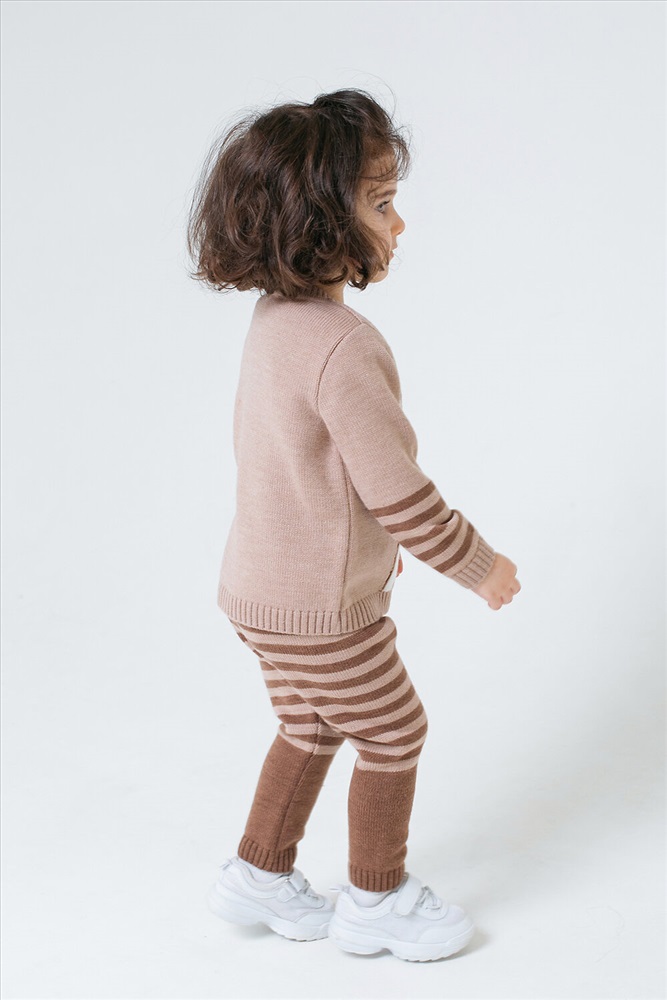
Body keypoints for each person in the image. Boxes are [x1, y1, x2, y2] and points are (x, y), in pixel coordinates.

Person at [186, 89, 520, 963]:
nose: (398, 224)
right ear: (320, 221)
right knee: (394, 731)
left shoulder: (274, 323)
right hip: (321, 611)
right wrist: (479, 565)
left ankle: (258, 873)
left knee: (309, 724)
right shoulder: (343, 344)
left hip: (256, 591)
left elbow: (302, 469)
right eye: (380, 204)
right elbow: (396, 494)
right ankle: (376, 898)